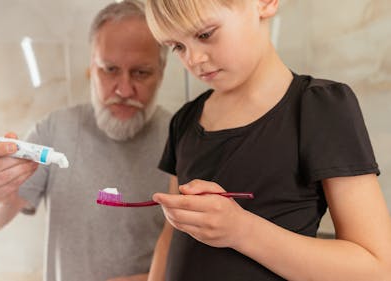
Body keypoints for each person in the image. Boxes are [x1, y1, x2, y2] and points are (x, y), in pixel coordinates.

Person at [144, 0, 391, 280]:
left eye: (205, 34)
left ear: (265, 3)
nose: (193, 58)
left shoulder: (319, 107)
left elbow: (376, 269)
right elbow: (171, 235)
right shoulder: (185, 120)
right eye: (177, 46)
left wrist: (241, 230)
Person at [0, 1, 171, 281]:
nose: (123, 89)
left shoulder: (182, 141)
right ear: (91, 68)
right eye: (109, 69)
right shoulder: (55, 131)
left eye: (140, 73)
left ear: (161, 73)